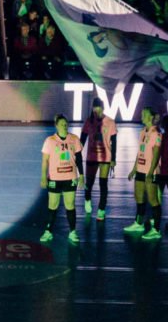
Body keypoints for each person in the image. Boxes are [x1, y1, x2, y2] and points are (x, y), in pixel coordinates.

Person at [38, 114, 84, 244]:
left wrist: (81, 175)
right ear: (56, 126)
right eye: (62, 124)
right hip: (55, 178)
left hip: (70, 177)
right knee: (53, 205)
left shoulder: (74, 139)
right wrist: (43, 176)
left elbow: (79, 159)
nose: (64, 126)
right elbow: (45, 160)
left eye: (66, 124)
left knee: (70, 204)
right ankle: (48, 231)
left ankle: (72, 232)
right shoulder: (50, 140)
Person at [124, 108, 163, 237]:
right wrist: (134, 169)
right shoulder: (142, 132)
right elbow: (140, 152)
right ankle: (138, 223)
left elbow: (156, 154)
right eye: (142, 114)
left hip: (150, 172)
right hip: (140, 169)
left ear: (151, 117)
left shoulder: (156, 133)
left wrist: (151, 172)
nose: (142, 116)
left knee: (153, 200)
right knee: (139, 197)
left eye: (144, 114)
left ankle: (156, 230)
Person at [79, 98, 117, 221]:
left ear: (103, 108)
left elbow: (114, 142)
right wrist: (76, 153)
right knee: (89, 184)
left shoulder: (110, 122)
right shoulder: (89, 121)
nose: (96, 110)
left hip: (105, 158)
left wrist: (113, 159)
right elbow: (82, 139)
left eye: (98, 107)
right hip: (91, 157)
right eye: (94, 107)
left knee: (103, 184)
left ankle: (101, 210)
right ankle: (87, 199)